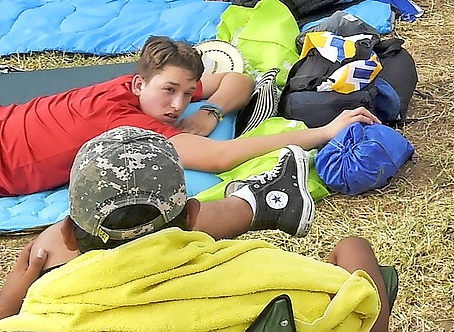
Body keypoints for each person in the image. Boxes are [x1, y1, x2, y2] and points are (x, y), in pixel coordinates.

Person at [0, 127, 390, 332]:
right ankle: (263, 201)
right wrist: (356, 248)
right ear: (191, 216)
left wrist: (12, 297)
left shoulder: (47, 314)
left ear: (69, 234)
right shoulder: (272, 278)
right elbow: (361, 305)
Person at [0, 36, 375, 199]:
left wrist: (211, 111)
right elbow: (220, 157)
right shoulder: (127, 122)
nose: (178, 105)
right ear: (138, 83)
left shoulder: (139, 89)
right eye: (169, 91)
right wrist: (325, 131)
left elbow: (237, 80)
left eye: (187, 92)